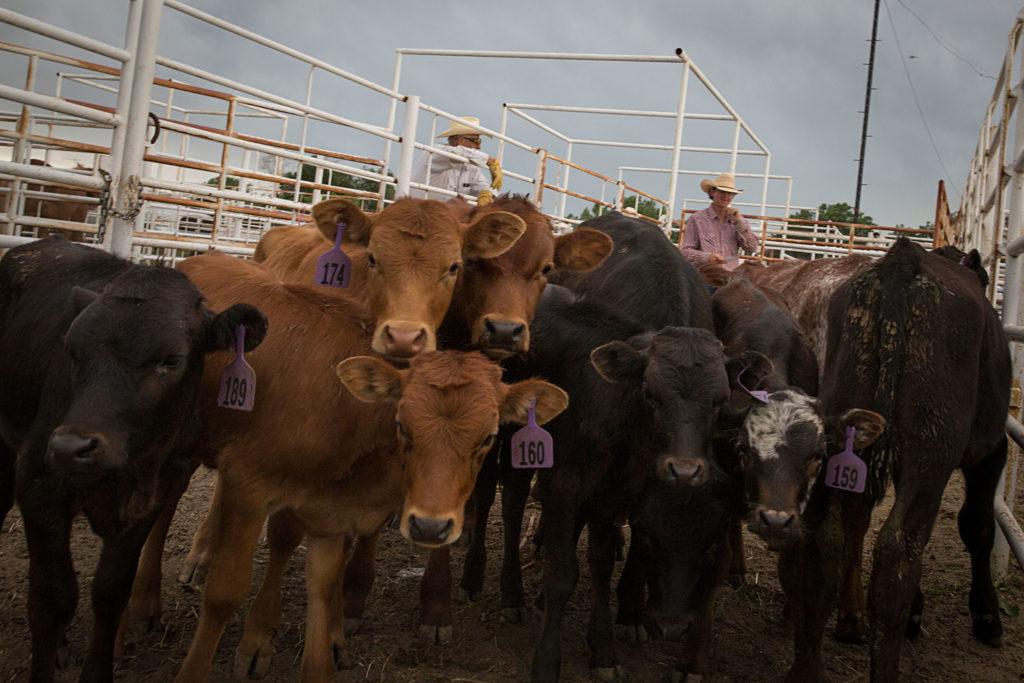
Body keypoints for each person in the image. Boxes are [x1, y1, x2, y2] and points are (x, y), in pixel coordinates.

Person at [411, 116, 502, 203]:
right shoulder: (436, 152)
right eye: (476, 141)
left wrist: (488, 194)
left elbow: (481, 185)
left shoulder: (470, 166)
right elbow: (456, 152)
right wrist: (489, 160)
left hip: (445, 214)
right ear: (460, 140)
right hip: (418, 210)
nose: (479, 147)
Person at [680, 172, 759, 269]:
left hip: (730, 278)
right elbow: (685, 252)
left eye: (730, 193)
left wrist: (740, 222)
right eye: (722, 191)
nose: (726, 196)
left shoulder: (739, 221)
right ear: (712, 192)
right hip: (706, 277)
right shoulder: (696, 219)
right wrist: (707, 257)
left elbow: (752, 248)